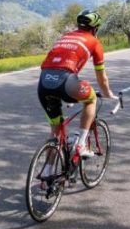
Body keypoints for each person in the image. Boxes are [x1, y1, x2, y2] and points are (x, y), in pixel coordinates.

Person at [38, 9, 115, 164]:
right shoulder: (94, 42)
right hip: (66, 82)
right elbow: (102, 78)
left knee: (56, 132)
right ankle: (81, 143)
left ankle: (46, 176)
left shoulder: (66, 36)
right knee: (91, 98)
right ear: (95, 28)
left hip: (44, 82)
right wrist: (107, 93)